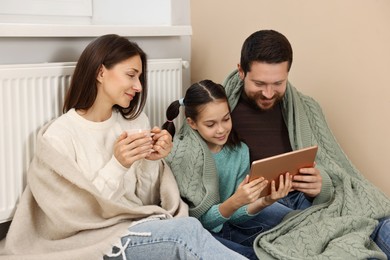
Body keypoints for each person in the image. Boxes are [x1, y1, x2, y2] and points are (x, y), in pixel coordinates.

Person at [0, 34, 247, 260]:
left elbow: (145, 200)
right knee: (184, 234)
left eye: (139, 77)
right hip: (92, 238)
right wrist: (117, 165)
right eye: (131, 75)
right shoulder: (60, 136)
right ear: (100, 73)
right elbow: (72, 218)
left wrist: (152, 161)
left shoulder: (134, 123)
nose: (139, 86)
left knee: (195, 231)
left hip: (135, 222)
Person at [222, 29, 390, 259]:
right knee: (338, 238)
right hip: (264, 203)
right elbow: (198, 165)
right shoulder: (218, 111)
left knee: (385, 226)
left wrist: (321, 186)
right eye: (260, 83)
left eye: (278, 83)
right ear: (241, 71)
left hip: (308, 199)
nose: (269, 93)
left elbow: (335, 169)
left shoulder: (307, 108)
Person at [163, 79, 293, 259]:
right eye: (210, 124)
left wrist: (265, 201)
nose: (221, 130)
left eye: (226, 119)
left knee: (292, 228)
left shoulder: (240, 151)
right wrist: (234, 202)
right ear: (192, 123)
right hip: (198, 231)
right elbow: (195, 223)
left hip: (227, 224)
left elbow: (234, 216)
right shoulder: (181, 156)